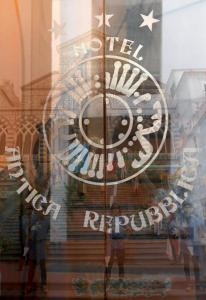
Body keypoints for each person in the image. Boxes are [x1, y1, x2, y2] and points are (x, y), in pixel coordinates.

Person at [177, 202, 202, 292]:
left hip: (195, 244)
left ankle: (197, 283)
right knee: (186, 264)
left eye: (189, 207)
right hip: (185, 244)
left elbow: (200, 230)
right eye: (185, 207)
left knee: (196, 264)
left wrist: (199, 239)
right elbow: (178, 232)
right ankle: (188, 284)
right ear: (183, 209)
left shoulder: (196, 219)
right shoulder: (180, 219)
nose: (187, 209)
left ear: (192, 208)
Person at [26, 208, 50, 294]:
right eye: (40, 211)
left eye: (44, 211)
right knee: (31, 267)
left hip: (41, 245)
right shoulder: (33, 220)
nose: (42, 212)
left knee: (43, 267)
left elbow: (48, 232)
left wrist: (46, 243)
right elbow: (28, 232)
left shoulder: (47, 221)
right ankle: (29, 285)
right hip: (33, 245)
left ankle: (44, 285)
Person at [105, 205, 128, 285]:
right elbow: (107, 230)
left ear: (119, 210)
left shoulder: (122, 219)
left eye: (117, 209)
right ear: (112, 211)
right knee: (110, 262)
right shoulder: (109, 219)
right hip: (112, 241)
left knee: (121, 262)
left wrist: (126, 235)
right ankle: (108, 280)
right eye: (114, 209)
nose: (115, 211)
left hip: (120, 241)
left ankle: (121, 280)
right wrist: (108, 240)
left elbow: (127, 228)